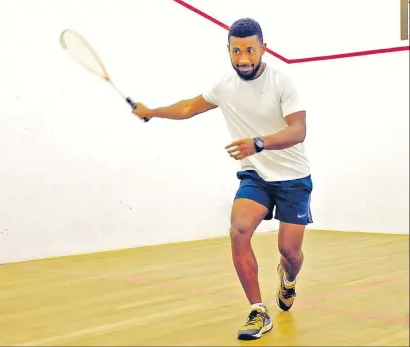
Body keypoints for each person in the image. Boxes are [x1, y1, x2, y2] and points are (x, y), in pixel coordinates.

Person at [131, 18, 313, 340]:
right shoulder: (224, 87)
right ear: (228, 50)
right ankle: (258, 310)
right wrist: (153, 111)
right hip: (255, 175)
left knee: (290, 252)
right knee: (239, 230)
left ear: (263, 50)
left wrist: (258, 142)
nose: (243, 58)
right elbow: (188, 107)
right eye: (237, 50)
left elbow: (298, 131)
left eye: (250, 50)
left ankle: (288, 279)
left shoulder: (281, 83)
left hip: (293, 179)